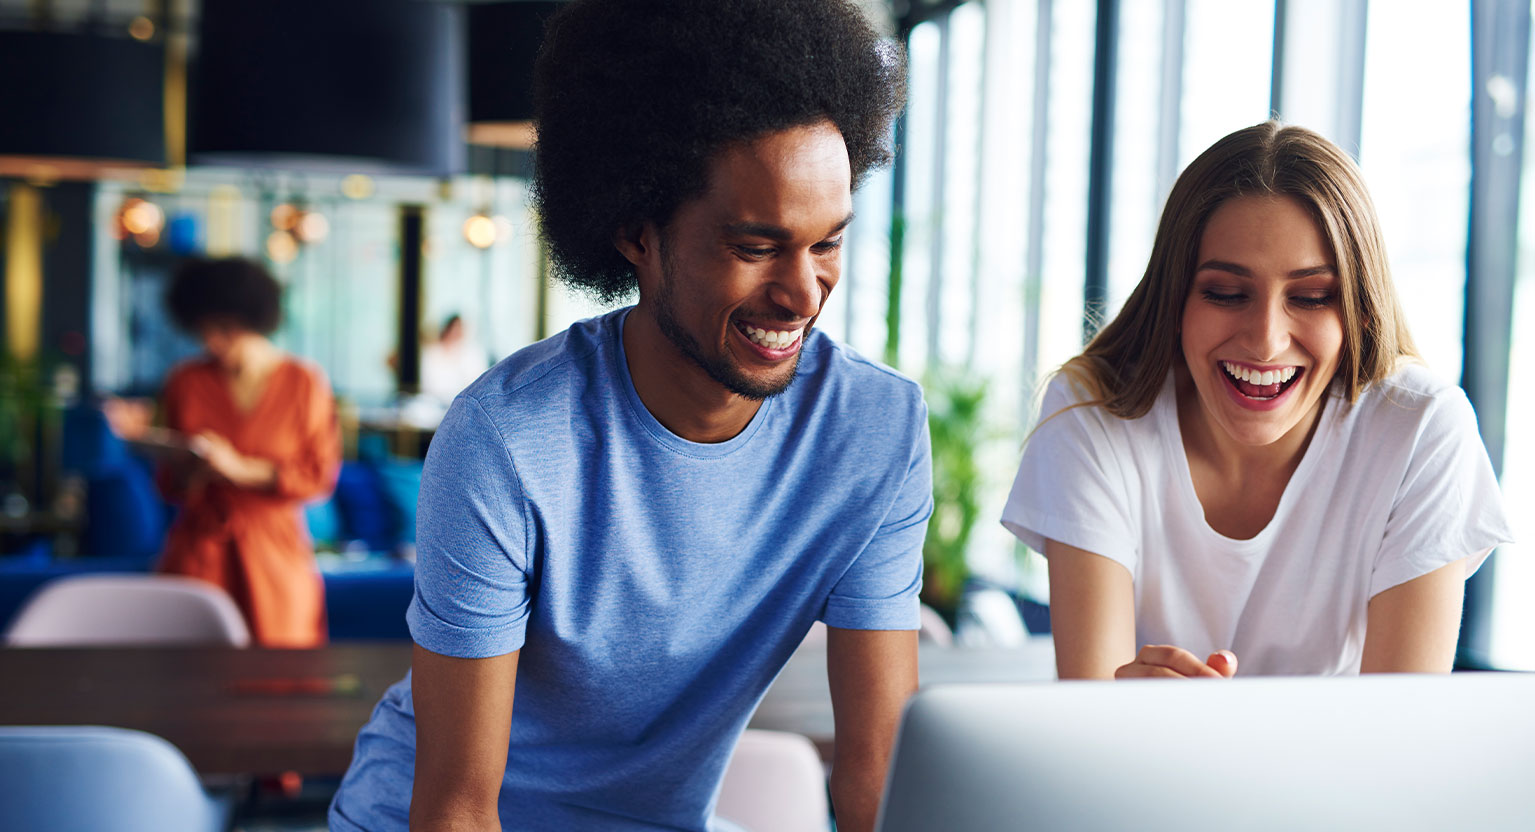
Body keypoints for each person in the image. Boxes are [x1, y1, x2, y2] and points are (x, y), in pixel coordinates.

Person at [329, 1, 924, 830]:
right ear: (636, 232)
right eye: (756, 247)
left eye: (826, 242)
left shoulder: (875, 432)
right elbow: (456, 807)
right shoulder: (507, 439)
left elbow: (880, 768)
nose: (801, 292)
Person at [1002, 121, 1513, 680]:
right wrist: (1122, 711)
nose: (1266, 339)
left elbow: (1399, 732)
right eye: (1225, 293)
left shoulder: (1421, 428)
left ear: (1360, 311)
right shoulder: (1094, 413)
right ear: (1175, 300)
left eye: (1313, 297)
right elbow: (1089, 714)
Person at [157, 257, 341, 648]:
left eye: (224, 329)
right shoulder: (186, 381)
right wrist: (190, 467)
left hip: (275, 552)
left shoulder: (304, 383)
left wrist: (239, 469)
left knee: (279, 674)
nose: (212, 342)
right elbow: (169, 484)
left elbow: (317, 478)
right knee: (187, 671)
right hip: (200, 549)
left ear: (253, 322)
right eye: (203, 330)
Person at [418, 313, 489, 403]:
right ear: (446, 330)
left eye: (459, 331)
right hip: (433, 402)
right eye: (454, 331)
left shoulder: (472, 354)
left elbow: (477, 383)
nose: (456, 335)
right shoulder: (431, 353)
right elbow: (427, 386)